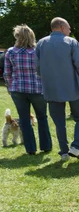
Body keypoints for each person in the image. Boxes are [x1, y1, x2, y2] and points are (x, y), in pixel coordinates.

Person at [35, 17, 79, 161]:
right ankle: (77, 147)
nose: (70, 31)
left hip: (51, 89)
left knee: (59, 121)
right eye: (68, 28)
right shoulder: (71, 42)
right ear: (62, 27)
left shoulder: (41, 43)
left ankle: (64, 152)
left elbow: (37, 69)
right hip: (74, 87)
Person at [3, 24, 52, 155]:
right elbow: (46, 71)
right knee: (42, 117)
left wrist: (10, 87)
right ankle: (46, 146)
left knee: (24, 119)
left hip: (18, 90)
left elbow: (7, 73)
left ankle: (30, 149)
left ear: (17, 37)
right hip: (38, 89)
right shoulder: (39, 52)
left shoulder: (11, 52)